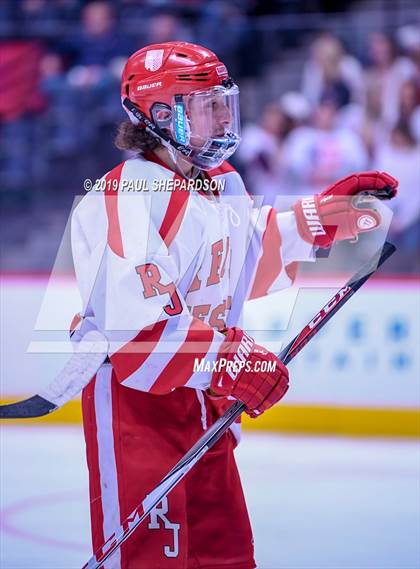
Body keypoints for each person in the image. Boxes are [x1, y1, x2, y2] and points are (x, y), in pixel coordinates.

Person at [70, 42, 398, 569]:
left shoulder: (221, 181)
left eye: (225, 102)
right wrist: (230, 361)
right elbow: (137, 334)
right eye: (208, 106)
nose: (224, 117)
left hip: (202, 406)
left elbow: (241, 261)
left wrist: (322, 217)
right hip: (139, 412)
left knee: (226, 558)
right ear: (161, 115)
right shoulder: (127, 196)